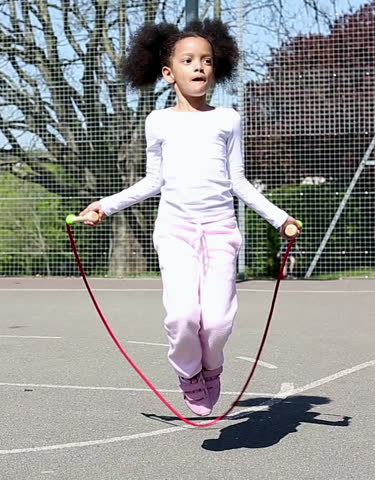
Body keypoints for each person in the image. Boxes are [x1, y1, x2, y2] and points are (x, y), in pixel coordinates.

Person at [77, 19, 301, 416]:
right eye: (188, 60)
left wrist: (279, 218)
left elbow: (239, 182)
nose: (199, 67)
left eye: (207, 60)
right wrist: (104, 205)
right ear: (168, 73)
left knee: (216, 323)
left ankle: (211, 368)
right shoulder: (158, 121)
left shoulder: (228, 119)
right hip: (175, 232)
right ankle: (188, 375)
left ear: (217, 68)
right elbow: (152, 181)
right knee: (182, 317)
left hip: (220, 233)